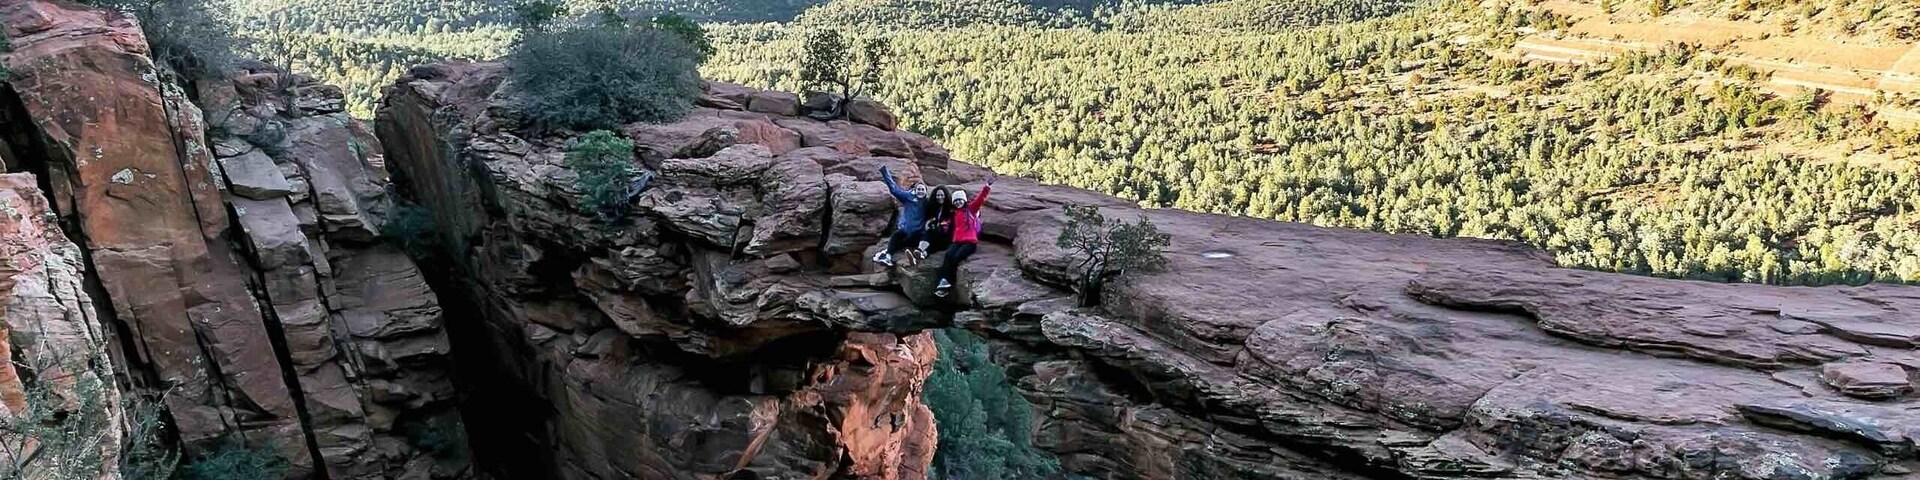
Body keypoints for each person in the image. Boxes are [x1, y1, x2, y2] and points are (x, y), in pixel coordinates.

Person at [936, 172, 995, 297]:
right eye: (955, 201)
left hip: (970, 242)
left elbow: (980, 199)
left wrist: (987, 186)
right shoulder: (955, 213)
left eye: (959, 200)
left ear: (963, 200)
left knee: (956, 257)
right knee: (948, 255)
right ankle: (942, 281)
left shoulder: (971, 209)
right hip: (957, 241)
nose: (958, 203)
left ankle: (947, 282)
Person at [873, 165, 931, 267]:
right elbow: (894, 189)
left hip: (917, 234)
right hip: (905, 231)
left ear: (926, 192)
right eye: (919, 189)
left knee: (920, 240)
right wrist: (885, 173)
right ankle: (888, 257)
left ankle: (914, 257)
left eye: (923, 190)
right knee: (897, 236)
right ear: (915, 190)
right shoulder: (908, 198)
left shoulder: (928, 203)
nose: (921, 191)